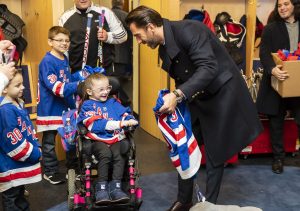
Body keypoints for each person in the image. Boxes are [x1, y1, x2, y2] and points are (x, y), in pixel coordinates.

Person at [126, 6, 263, 210]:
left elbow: (208, 67)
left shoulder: (190, 30)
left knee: (215, 153)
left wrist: (178, 95)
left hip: (221, 93)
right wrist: (174, 99)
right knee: (184, 144)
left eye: (138, 35)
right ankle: (185, 200)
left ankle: (209, 205)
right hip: (198, 96)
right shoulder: (164, 45)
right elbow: (185, 75)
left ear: (151, 27)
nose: (138, 41)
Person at [36, 26, 89, 185]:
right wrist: (78, 84)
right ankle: (50, 172)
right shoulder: (47, 61)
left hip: (66, 108)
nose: (64, 43)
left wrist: (80, 76)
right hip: (50, 108)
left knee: (71, 139)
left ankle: (72, 170)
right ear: (50, 41)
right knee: (49, 143)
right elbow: (56, 88)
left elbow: (66, 79)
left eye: (67, 41)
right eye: (60, 40)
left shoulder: (64, 58)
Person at [77, 73, 138, 205]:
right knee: (105, 153)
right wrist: (120, 124)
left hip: (115, 138)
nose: (106, 92)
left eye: (108, 88)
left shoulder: (113, 102)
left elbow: (124, 114)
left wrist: (130, 120)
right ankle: (101, 188)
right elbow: (97, 126)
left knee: (119, 154)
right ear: (89, 91)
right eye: (101, 89)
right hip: (97, 139)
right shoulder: (88, 106)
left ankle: (116, 187)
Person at [256, 0, 300, 174]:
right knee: (276, 123)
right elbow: (264, 52)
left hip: (297, 84)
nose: (282, 8)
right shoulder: (271, 28)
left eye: (286, 4)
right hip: (277, 82)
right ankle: (278, 159)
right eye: (279, 5)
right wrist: (272, 69)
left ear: (295, 5)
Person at [0, 70, 42, 211]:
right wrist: (35, 153)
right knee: (12, 201)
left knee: (21, 199)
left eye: (22, 84)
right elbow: (12, 142)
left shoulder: (18, 103)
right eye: (18, 85)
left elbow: (28, 131)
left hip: (17, 165)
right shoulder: (5, 110)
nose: (23, 87)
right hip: (9, 167)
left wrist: (37, 146)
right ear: (4, 88)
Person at [58, 0, 127, 73]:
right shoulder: (65, 17)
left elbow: (123, 35)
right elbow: (61, 46)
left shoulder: (105, 12)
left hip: (103, 71)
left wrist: (108, 37)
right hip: (77, 72)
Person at [111, 0, 133, 105]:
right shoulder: (126, 16)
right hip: (123, 54)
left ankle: (120, 100)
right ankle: (124, 100)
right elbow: (132, 34)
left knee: (113, 79)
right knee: (117, 80)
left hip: (109, 55)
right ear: (122, 4)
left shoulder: (106, 14)